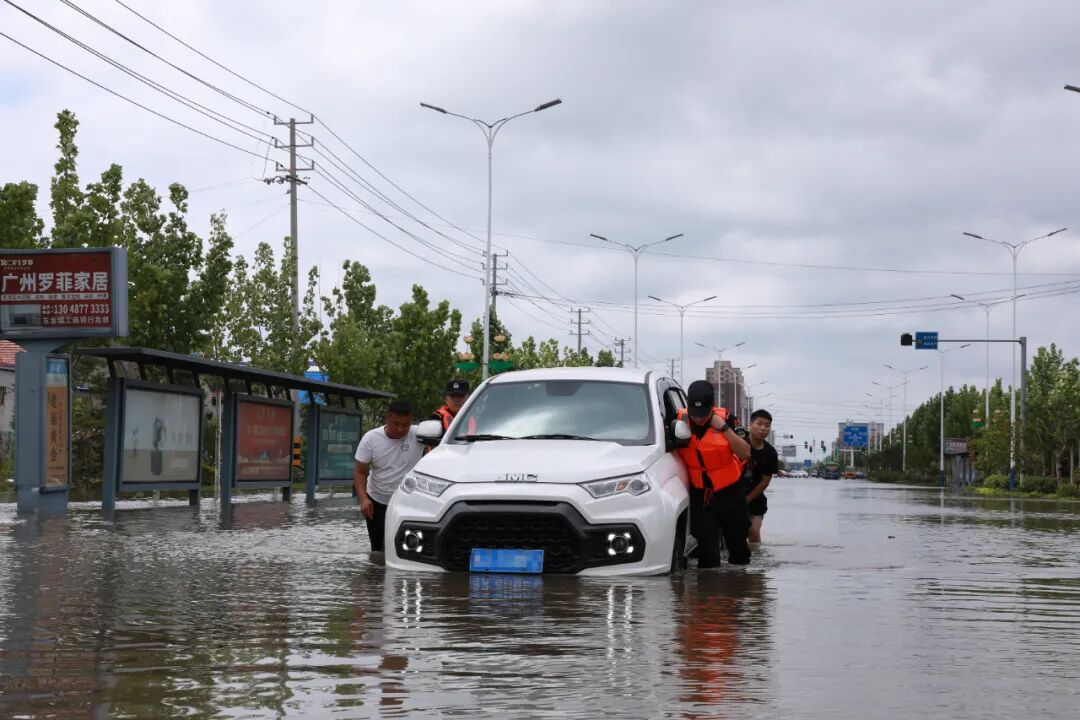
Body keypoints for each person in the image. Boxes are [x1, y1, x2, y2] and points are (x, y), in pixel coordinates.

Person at [675, 380, 752, 568]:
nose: (698, 419)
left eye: (703, 415)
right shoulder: (678, 422)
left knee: (739, 554)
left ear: (712, 407)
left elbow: (745, 453)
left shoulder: (729, 420)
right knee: (708, 558)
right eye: (694, 414)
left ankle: (740, 591)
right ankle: (709, 594)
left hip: (731, 493)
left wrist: (725, 429)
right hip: (702, 497)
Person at [354, 399, 422, 553]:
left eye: (405, 425)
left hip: (407, 502)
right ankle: (376, 577)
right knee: (377, 550)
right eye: (395, 424)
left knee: (409, 548)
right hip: (377, 501)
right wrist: (363, 499)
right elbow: (360, 472)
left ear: (411, 420)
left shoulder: (419, 434)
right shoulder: (370, 439)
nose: (400, 429)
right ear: (387, 419)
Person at [744, 409, 778, 544]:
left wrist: (747, 499)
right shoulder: (739, 440)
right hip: (732, 494)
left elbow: (765, 482)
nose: (763, 428)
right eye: (759, 424)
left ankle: (757, 563)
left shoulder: (770, 453)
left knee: (753, 533)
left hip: (755, 498)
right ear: (750, 424)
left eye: (767, 425)